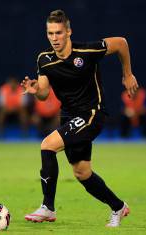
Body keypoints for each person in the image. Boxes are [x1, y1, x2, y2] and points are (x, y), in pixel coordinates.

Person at [21, 9, 138, 227]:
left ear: (68, 32)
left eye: (58, 33)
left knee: (47, 145)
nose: (54, 38)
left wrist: (127, 74)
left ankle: (48, 208)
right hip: (69, 116)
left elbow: (121, 43)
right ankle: (119, 207)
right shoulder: (44, 60)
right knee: (82, 172)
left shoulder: (87, 50)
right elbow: (44, 94)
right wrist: (35, 89)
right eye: (50, 33)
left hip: (92, 113)